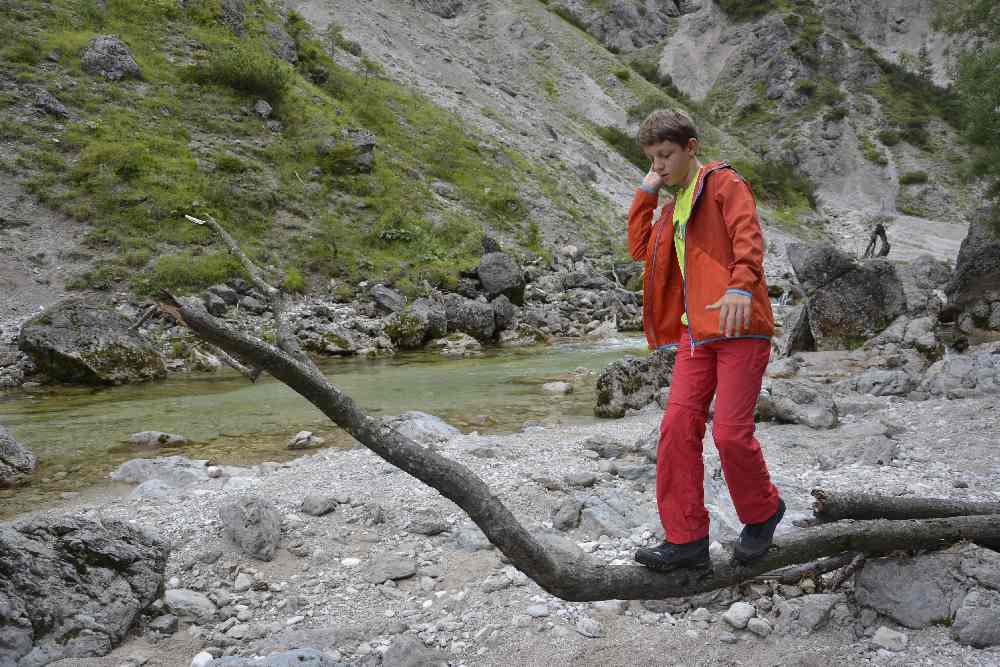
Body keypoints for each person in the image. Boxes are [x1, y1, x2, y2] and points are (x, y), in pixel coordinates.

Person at [626, 109, 784, 571]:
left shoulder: (723, 183)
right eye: (653, 158)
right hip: (697, 336)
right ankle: (687, 540)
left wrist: (740, 286)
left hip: (740, 328)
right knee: (676, 430)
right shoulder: (674, 206)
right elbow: (640, 248)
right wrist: (648, 189)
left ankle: (764, 511)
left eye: (666, 155)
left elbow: (747, 236)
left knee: (731, 433)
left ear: (691, 147)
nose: (660, 164)